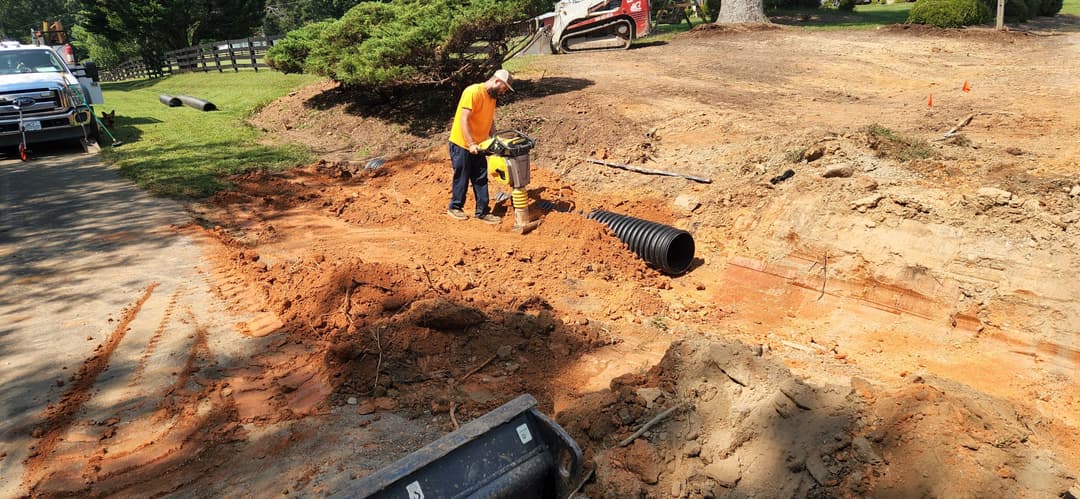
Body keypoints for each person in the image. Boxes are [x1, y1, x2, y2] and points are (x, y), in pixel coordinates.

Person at [446, 69, 514, 223]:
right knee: (462, 177)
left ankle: (482, 212)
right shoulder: (473, 91)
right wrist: (470, 143)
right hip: (462, 143)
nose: (503, 92)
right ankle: (455, 207)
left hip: (480, 145)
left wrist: (495, 139)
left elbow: (490, 119)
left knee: (481, 178)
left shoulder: (492, 97)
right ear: (497, 81)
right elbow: (464, 119)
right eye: (503, 88)